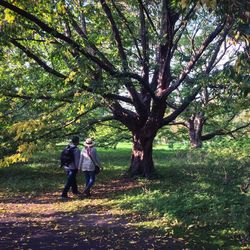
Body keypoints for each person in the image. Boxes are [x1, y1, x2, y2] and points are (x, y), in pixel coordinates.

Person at [61, 135, 80, 200]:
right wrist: (78, 168)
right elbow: (77, 160)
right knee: (69, 181)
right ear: (77, 141)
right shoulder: (76, 150)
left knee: (73, 179)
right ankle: (63, 194)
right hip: (73, 167)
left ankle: (75, 191)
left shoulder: (67, 147)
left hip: (66, 166)